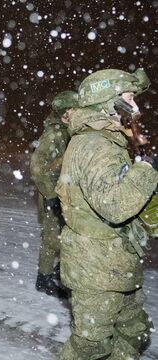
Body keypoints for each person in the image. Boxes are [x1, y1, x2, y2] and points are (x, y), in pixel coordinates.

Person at [56, 68, 157, 360]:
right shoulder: (95, 145)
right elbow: (115, 205)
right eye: (128, 98)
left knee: (135, 331)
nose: (135, 107)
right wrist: (147, 169)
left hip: (116, 259)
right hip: (96, 267)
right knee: (91, 346)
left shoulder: (108, 139)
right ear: (109, 103)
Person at [29, 91, 78, 297]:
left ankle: (54, 274)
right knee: (52, 238)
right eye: (73, 110)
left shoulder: (69, 131)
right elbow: (37, 167)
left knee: (63, 238)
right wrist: (50, 195)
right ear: (64, 113)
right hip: (54, 195)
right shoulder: (55, 134)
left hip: (65, 194)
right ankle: (45, 278)